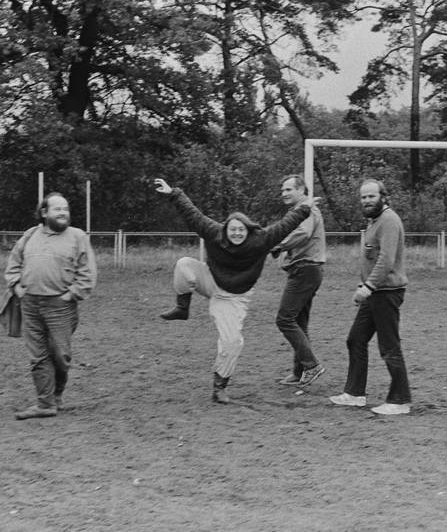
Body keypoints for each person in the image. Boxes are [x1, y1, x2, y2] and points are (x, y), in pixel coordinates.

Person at [154, 178, 316, 404]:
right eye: (233, 229)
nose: (237, 233)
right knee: (184, 265)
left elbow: (284, 227)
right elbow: (192, 214)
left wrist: (304, 209)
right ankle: (182, 307)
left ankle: (219, 387)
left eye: (241, 230)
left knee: (232, 342)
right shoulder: (214, 232)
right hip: (210, 280)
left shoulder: (260, 240)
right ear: (226, 229)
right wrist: (173, 193)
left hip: (234, 297)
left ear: (247, 230)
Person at [4, 193, 97, 420]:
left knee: (60, 355)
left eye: (66, 209)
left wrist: (71, 294)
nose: (63, 213)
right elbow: (13, 264)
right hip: (30, 304)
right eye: (58, 209)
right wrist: (16, 286)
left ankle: (56, 395)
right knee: (38, 356)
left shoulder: (77, 236)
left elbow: (87, 272)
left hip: (60, 307)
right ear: (44, 213)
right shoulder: (30, 235)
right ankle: (45, 403)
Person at [329, 179, 412, 415]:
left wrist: (368, 286)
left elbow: (386, 259)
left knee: (389, 346)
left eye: (371, 196)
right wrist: (364, 284)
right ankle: (354, 394)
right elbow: (372, 258)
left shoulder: (389, 220)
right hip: (375, 292)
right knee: (355, 339)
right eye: (363, 197)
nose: (366, 201)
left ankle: (400, 400)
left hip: (386, 293)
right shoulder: (375, 221)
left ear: (383, 197)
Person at [270, 174, 326, 391]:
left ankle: (311, 365)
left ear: (302, 190)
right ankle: (299, 371)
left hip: (305, 270)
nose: (283, 193)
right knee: (299, 323)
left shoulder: (307, 209)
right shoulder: (298, 211)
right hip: (304, 270)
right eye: (282, 190)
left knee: (284, 319)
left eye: (288, 189)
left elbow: (303, 233)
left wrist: (279, 245)